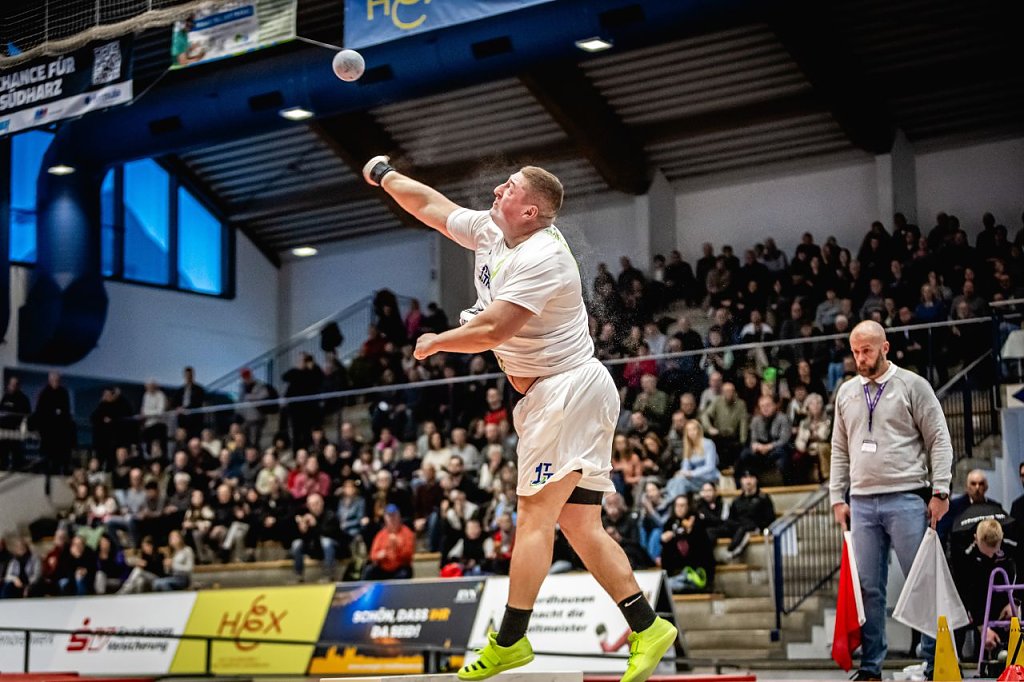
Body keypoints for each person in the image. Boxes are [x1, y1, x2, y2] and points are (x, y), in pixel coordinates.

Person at [363, 156, 675, 681]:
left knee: (533, 516)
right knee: (579, 524)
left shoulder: (543, 257)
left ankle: (510, 640)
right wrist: (386, 176)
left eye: (508, 187)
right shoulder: (492, 230)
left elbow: (493, 330)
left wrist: (436, 342)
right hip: (560, 394)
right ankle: (648, 625)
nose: (496, 189)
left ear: (530, 211)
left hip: (566, 391)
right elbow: (433, 208)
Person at [830, 320, 953, 681]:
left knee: (922, 582)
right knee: (869, 590)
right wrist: (837, 496)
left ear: (885, 348)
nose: (860, 358)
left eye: (866, 350)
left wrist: (941, 489)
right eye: (855, 351)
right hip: (862, 502)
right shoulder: (846, 392)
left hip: (906, 496)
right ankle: (871, 668)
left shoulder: (912, 385)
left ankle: (933, 662)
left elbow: (939, 438)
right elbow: (838, 448)